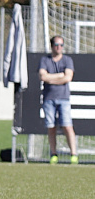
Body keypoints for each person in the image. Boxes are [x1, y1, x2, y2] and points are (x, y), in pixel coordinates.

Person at [39, 35, 78, 164]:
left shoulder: (67, 60)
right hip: (49, 98)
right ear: (52, 46)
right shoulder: (45, 60)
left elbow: (67, 78)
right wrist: (59, 76)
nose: (59, 47)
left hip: (64, 98)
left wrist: (52, 78)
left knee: (67, 126)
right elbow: (43, 76)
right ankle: (53, 154)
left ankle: (73, 154)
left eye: (61, 45)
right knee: (51, 127)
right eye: (56, 44)